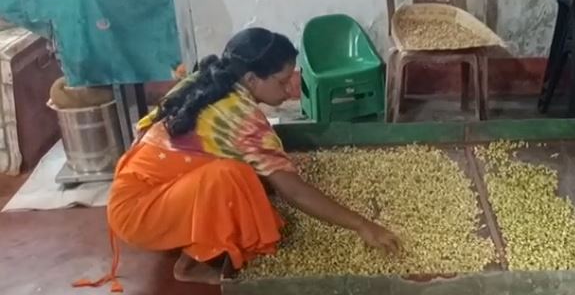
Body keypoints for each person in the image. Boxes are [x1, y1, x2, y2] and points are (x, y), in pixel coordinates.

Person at [73, 28, 400, 292]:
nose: (290, 91)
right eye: (282, 81)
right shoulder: (243, 119)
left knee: (246, 171)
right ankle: (191, 265)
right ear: (251, 80)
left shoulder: (207, 80)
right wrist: (362, 224)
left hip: (136, 191)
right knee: (232, 177)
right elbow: (294, 193)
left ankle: (186, 231)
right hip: (139, 213)